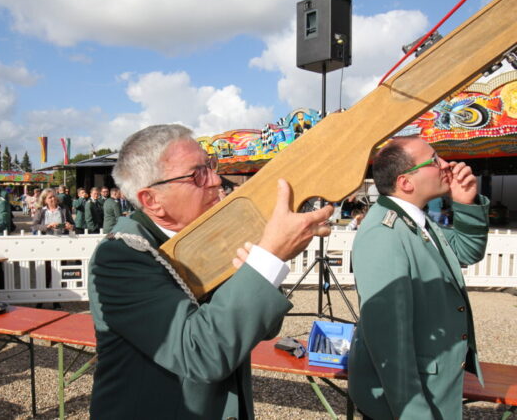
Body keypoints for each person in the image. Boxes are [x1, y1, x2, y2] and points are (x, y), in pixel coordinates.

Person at [88, 124, 333, 419]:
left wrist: (260, 264)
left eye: (210, 166)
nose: (216, 180)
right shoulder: (121, 256)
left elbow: (267, 328)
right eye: (197, 175)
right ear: (152, 200)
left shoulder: (209, 235)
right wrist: (270, 255)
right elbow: (200, 354)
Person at [348, 136, 489, 420]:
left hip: (431, 386)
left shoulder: (413, 220)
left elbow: (467, 251)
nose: (446, 165)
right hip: (409, 399)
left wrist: (466, 203)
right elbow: (389, 342)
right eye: (434, 160)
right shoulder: (384, 234)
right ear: (406, 183)